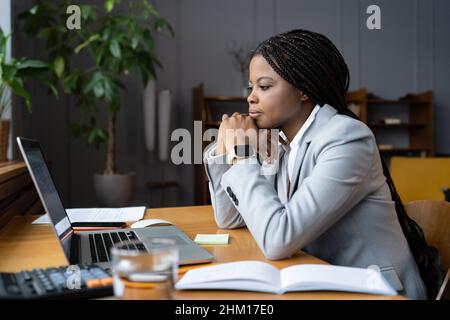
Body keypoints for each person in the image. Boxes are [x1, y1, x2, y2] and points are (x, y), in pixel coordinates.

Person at [203, 29, 441, 300]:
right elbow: (231, 218)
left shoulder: (347, 138)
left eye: (264, 86)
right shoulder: (278, 142)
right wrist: (224, 149)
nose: (251, 98)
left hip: (377, 293)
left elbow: (278, 238)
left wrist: (242, 155)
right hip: (321, 283)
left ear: (303, 90)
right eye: (251, 87)